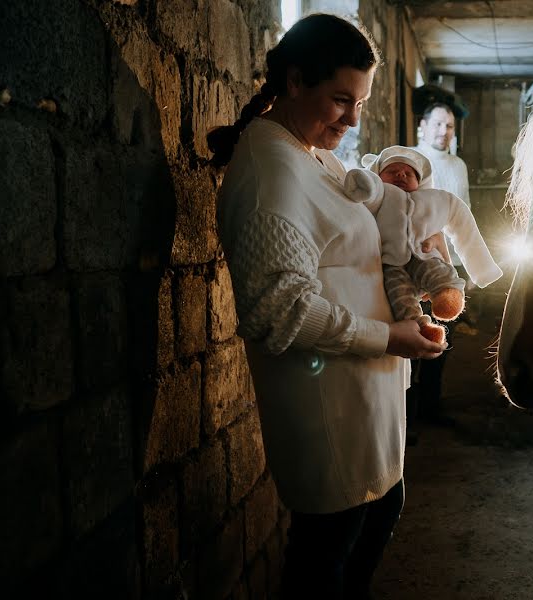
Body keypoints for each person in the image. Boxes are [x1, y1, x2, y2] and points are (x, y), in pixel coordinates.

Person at [207, 14, 445, 600]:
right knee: (324, 564)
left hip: (364, 400)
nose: (354, 118)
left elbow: (371, 236)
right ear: (293, 81)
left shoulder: (313, 156)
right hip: (328, 411)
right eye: (341, 99)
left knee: (367, 531)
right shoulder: (271, 175)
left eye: (359, 102)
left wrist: (419, 278)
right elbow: (279, 311)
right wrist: (392, 337)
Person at [343, 145, 502, 344]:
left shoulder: (435, 199)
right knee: (399, 298)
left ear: (421, 181)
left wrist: (482, 269)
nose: (401, 173)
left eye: (409, 173)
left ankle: (448, 293)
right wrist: (363, 181)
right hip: (390, 264)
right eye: (391, 171)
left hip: (424, 256)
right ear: (377, 175)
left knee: (440, 271)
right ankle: (421, 328)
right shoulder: (380, 196)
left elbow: (463, 222)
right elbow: (365, 189)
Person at [411, 102, 477, 424]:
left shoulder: (458, 166)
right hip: (412, 265)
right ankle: (407, 413)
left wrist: (468, 268)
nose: (444, 131)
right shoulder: (407, 159)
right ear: (423, 126)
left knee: (443, 336)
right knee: (412, 334)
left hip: (448, 267)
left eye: (449, 126)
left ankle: (431, 408)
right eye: (438, 124)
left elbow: (464, 216)